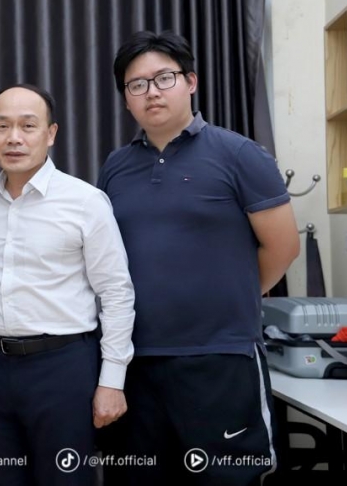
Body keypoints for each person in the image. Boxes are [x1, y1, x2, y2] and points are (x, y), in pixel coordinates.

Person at [97, 30, 300, 485]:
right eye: (137, 84)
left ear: (190, 81)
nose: (151, 92)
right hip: (135, 363)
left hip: (222, 359)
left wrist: (231, 297)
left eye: (163, 78)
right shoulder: (115, 168)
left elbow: (284, 247)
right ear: (126, 99)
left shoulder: (239, 154)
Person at [0, 84, 136, 485]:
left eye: (28, 125)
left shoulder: (85, 201)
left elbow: (116, 292)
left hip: (63, 368)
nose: (14, 138)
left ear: (51, 133)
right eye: (2, 126)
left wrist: (112, 381)